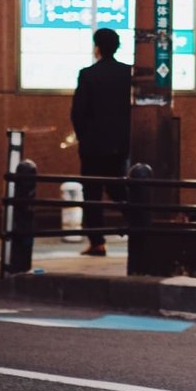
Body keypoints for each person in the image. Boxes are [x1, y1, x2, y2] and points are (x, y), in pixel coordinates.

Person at [70, 26, 132, 257]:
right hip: (119, 144)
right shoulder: (127, 73)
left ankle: (97, 242)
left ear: (97, 48)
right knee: (119, 190)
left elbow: (78, 111)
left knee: (92, 194)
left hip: (93, 146)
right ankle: (140, 225)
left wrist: (83, 136)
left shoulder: (88, 74)